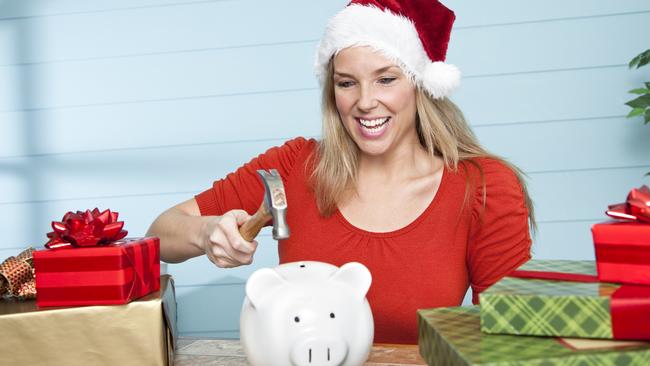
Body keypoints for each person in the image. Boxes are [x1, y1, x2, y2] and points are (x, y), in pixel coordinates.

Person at [147, 0, 534, 344]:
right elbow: (159, 235)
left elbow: (512, 337)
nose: (365, 102)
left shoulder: (483, 186)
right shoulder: (294, 166)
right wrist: (205, 232)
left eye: (386, 79)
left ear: (420, 84)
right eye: (347, 83)